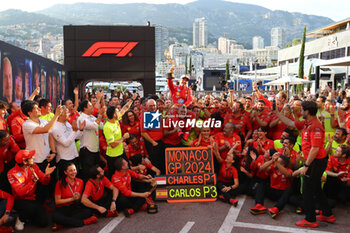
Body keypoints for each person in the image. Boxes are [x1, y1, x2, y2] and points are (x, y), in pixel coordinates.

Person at [275, 101, 334, 228]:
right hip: (313, 162)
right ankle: (328, 214)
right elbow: (290, 123)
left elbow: (315, 148)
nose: (300, 112)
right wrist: (276, 113)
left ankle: (310, 219)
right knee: (317, 188)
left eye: (301, 110)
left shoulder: (315, 126)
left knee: (307, 191)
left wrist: (306, 166)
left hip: (314, 163)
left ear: (307, 111)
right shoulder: (307, 123)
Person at [22, 101, 62, 203]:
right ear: (29, 113)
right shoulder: (27, 124)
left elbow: (50, 135)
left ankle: (51, 204)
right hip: (36, 160)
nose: (39, 109)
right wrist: (56, 115)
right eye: (36, 108)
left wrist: (53, 152)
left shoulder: (43, 121)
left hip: (47, 158)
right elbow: (45, 129)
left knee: (51, 182)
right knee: (40, 186)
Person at [7, 150, 56, 229]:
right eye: (31, 157)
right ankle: (20, 219)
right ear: (25, 162)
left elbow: (44, 182)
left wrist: (46, 175)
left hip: (33, 198)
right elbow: (20, 193)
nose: (33, 157)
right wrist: (32, 182)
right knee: (31, 208)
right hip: (19, 200)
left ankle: (28, 217)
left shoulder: (34, 166)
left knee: (43, 222)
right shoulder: (12, 173)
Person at [53, 163, 97, 230]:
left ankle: (63, 224)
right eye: (70, 170)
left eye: (74, 170)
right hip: (63, 208)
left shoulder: (80, 181)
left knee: (88, 211)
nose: (73, 172)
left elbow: (80, 198)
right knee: (55, 217)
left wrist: (79, 197)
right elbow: (57, 201)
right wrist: (72, 199)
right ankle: (84, 222)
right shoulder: (60, 183)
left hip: (74, 207)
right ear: (65, 172)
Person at [250, 153, 293, 219]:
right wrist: (272, 161)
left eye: (278, 161)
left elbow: (287, 175)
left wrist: (277, 163)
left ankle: (276, 209)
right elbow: (262, 168)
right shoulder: (273, 167)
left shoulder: (289, 170)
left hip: (281, 194)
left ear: (283, 164)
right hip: (272, 191)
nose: (275, 162)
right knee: (262, 184)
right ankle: (259, 205)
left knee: (289, 190)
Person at [51, 107, 85, 178]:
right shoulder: (55, 128)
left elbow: (76, 137)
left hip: (74, 156)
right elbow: (66, 143)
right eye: (66, 112)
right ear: (60, 115)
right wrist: (74, 131)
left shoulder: (68, 124)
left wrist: (81, 130)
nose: (69, 114)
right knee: (65, 183)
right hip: (64, 159)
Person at [77, 100, 105, 181]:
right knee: (88, 174)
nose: (92, 106)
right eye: (90, 105)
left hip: (95, 150)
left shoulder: (92, 117)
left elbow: (102, 126)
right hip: (87, 150)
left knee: (96, 173)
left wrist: (104, 116)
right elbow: (94, 126)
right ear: (85, 108)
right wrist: (100, 115)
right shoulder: (81, 118)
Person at [103, 105, 131, 178]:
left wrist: (132, 99)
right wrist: (123, 138)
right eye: (117, 111)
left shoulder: (116, 120)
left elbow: (124, 109)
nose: (119, 112)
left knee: (128, 170)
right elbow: (112, 144)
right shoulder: (107, 127)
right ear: (114, 114)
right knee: (113, 176)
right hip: (113, 156)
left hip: (121, 152)